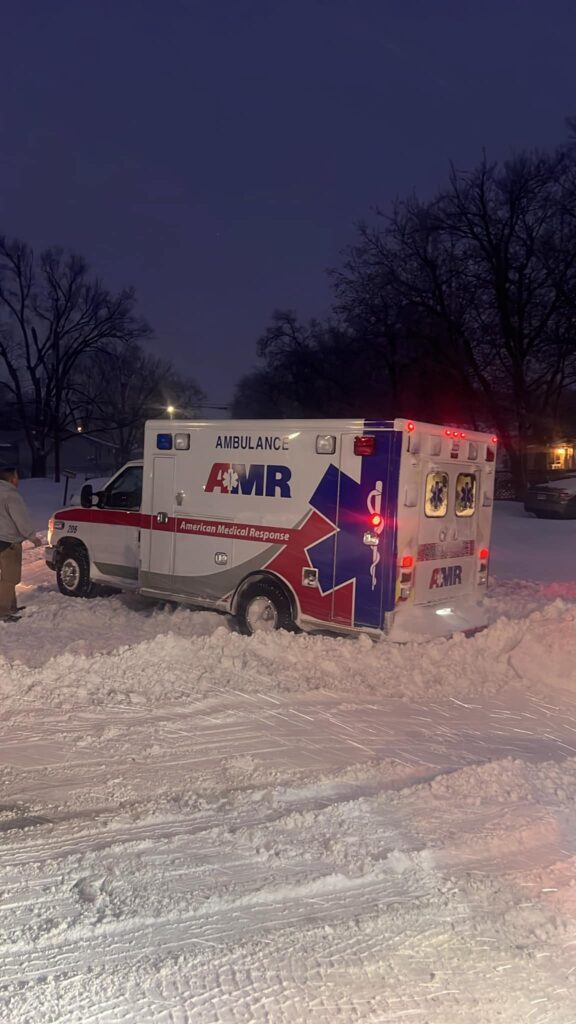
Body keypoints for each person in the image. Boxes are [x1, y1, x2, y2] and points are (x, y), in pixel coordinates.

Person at [0, 467, 42, 622]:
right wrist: (32, 536)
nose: (18, 481)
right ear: (11, 479)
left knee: (7, 577)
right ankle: (3, 611)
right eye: (17, 477)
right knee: (9, 578)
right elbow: (21, 518)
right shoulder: (11, 495)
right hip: (8, 541)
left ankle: (11, 606)